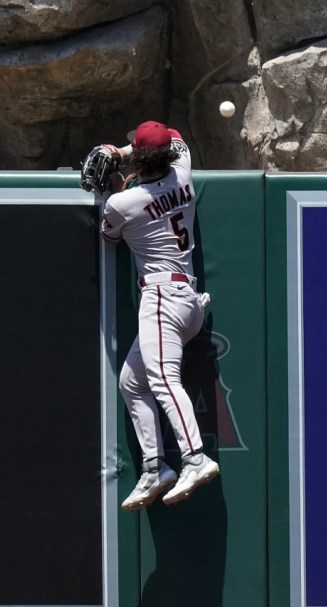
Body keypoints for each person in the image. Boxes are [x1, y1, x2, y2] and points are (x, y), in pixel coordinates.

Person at [96, 120, 220, 510]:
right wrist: (130, 154)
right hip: (187, 301)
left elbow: (109, 236)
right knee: (132, 383)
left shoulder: (123, 203)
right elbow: (178, 138)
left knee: (163, 380)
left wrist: (117, 160)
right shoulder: (183, 173)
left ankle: (195, 458)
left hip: (163, 299)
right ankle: (155, 468)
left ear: (140, 158)